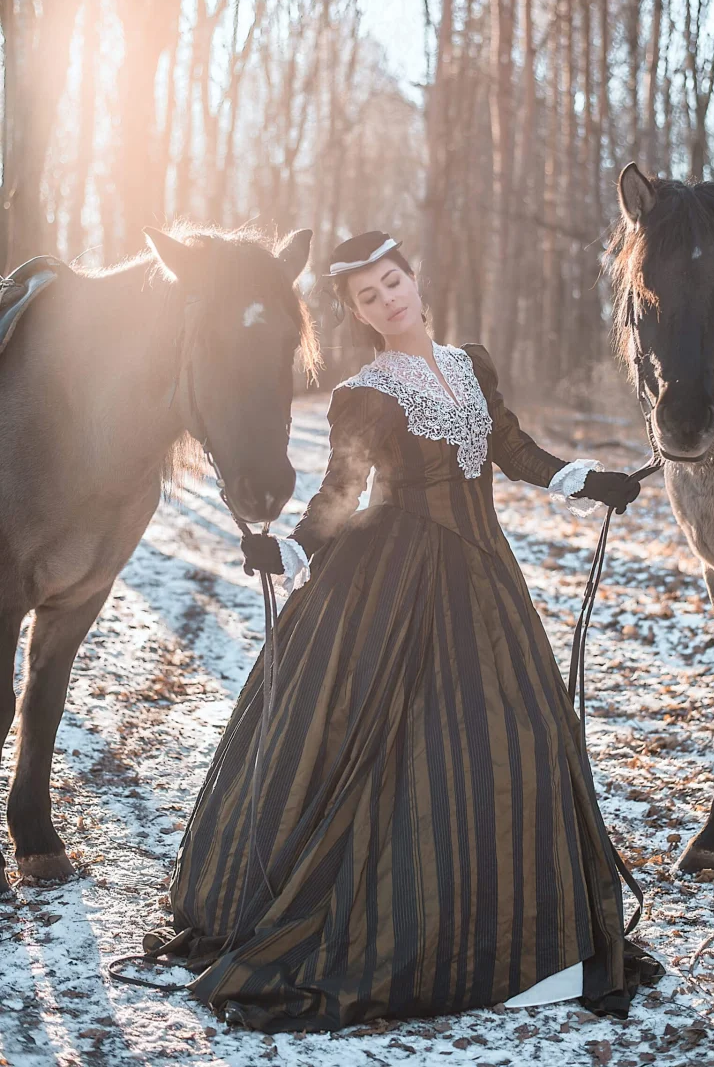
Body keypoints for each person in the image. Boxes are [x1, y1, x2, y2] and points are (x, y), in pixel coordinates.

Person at [152, 231, 662, 1032]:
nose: (387, 299)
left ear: (415, 282)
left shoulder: (469, 365)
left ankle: (534, 942)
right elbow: (340, 496)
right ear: (358, 314)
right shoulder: (366, 392)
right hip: (389, 585)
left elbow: (513, 449)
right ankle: (418, 936)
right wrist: (284, 547)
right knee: (405, 763)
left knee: (522, 742)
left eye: (393, 282)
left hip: (485, 581)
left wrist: (588, 480)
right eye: (367, 296)